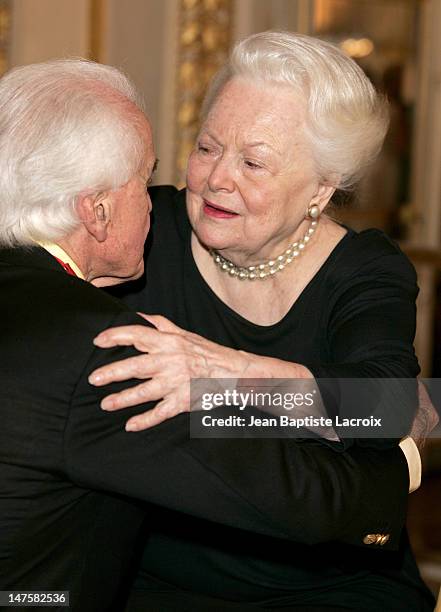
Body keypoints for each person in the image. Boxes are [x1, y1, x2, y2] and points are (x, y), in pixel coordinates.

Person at [0, 58, 425, 612]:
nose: (217, 178)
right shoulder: (137, 234)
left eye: (253, 162)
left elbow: (392, 410)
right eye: (206, 147)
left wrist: (220, 373)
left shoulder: (364, 271)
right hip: (149, 578)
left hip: (323, 580)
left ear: (322, 187)